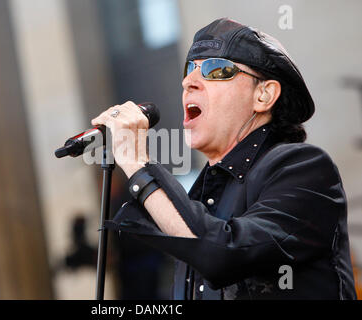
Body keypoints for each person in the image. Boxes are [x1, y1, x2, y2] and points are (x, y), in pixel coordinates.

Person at [91, 18, 357, 299]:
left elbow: (225, 254)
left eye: (214, 69)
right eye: (189, 69)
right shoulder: (199, 196)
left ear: (264, 95)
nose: (188, 82)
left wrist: (136, 163)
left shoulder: (304, 168)